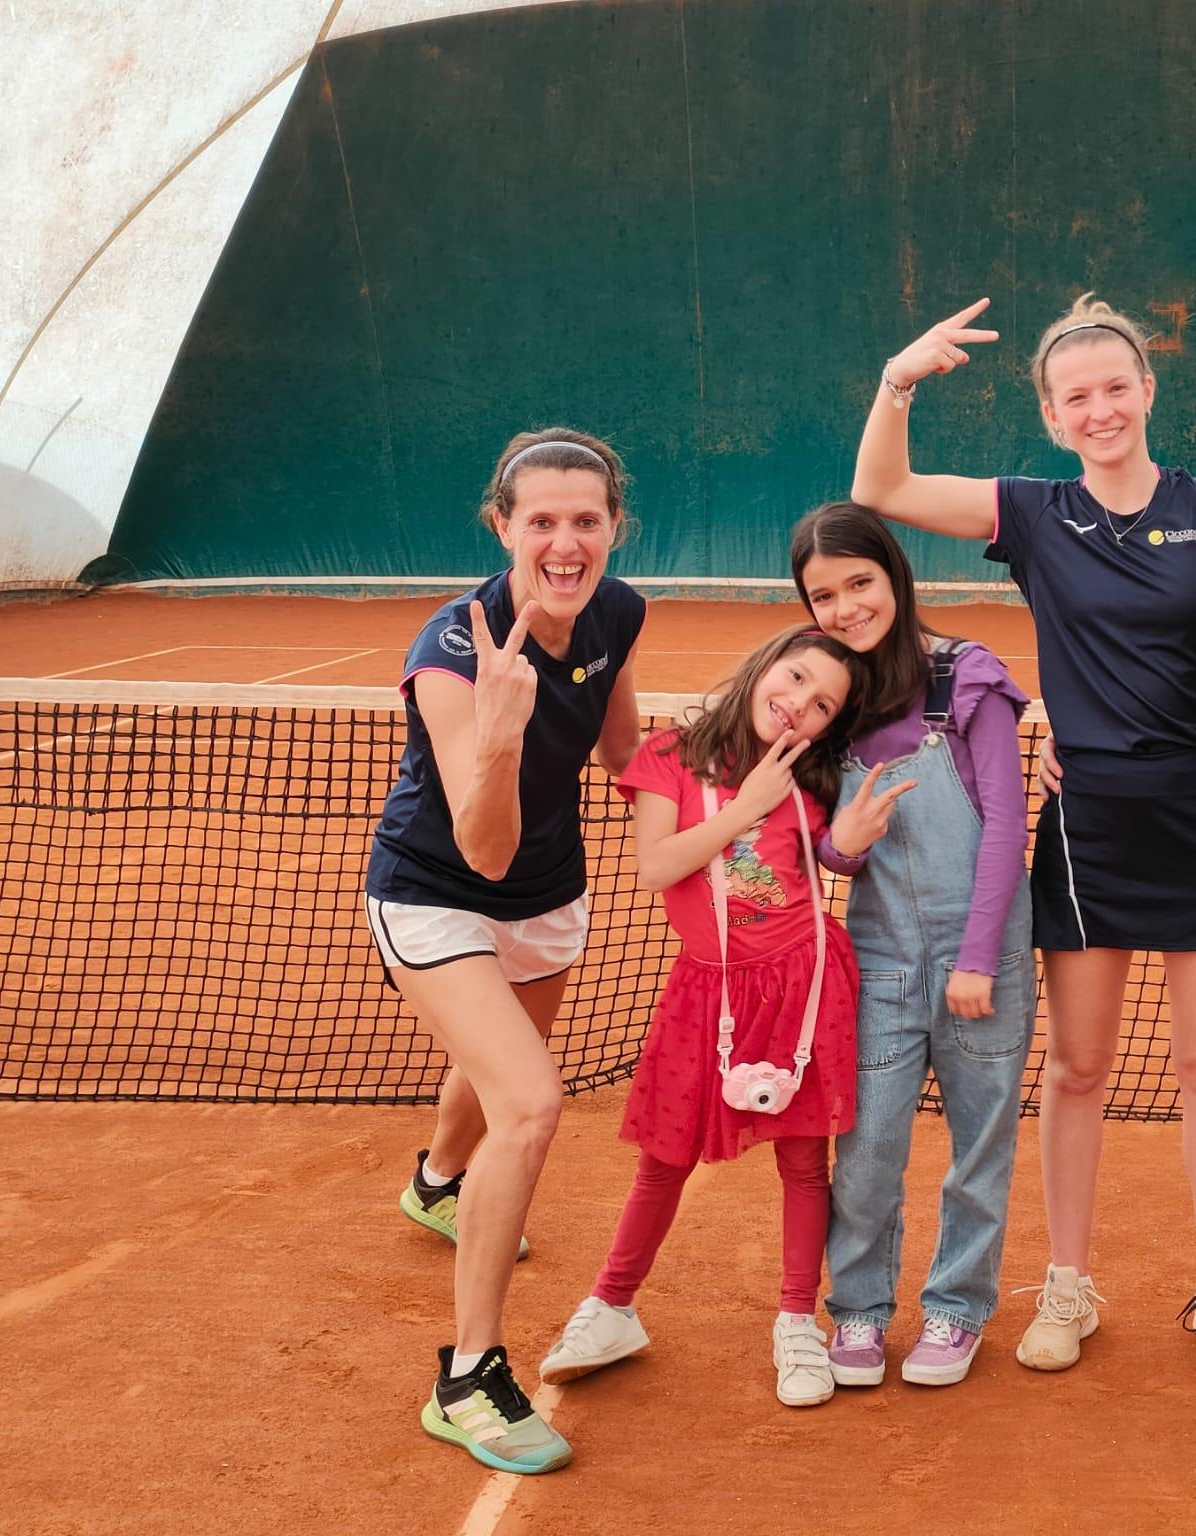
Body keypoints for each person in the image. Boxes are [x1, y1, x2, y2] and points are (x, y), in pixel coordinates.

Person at [851, 295, 1196, 1378]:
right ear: (1050, 413)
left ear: (1146, 393)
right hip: (1090, 829)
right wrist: (899, 378)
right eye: (1075, 395)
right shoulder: (1033, 514)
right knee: (1078, 1068)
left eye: (1115, 388)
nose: (1099, 409)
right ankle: (1068, 1286)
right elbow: (879, 492)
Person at [539, 624, 916, 1408]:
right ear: (764, 663)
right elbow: (657, 866)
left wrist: (843, 844)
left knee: (806, 1166)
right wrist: (746, 806)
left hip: (803, 989)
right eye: (796, 679)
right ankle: (611, 1306)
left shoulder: (814, 778)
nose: (797, 707)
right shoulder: (667, 757)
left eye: (821, 706)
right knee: (663, 1159)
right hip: (706, 990)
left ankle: (794, 1322)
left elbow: (826, 865)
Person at [367, 428, 645, 1475]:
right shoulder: (450, 652)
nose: (565, 543)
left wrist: (737, 789)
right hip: (437, 896)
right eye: (542, 521)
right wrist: (495, 730)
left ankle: (437, 1181)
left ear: (613, 526)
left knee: (490, 1083)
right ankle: (468, 1377)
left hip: (548, 894)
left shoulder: (616, 611)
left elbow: (623, 749)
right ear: (504, 526)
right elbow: (479, 852)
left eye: (586, 521)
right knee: (529, 1102)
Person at [788, 502, 1034, 1389]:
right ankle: (855, 1310)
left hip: (984, 960)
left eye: (860, 582)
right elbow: (829, 849)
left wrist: (974, 959)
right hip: (881, 962)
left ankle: (958, 1310)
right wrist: (843, 844)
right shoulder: (827, 701)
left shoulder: (966, 677)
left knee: (979, 1149)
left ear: (894, 574)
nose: (846, 606)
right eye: (824, 594)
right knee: (866, 1151)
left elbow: (1006, 826)